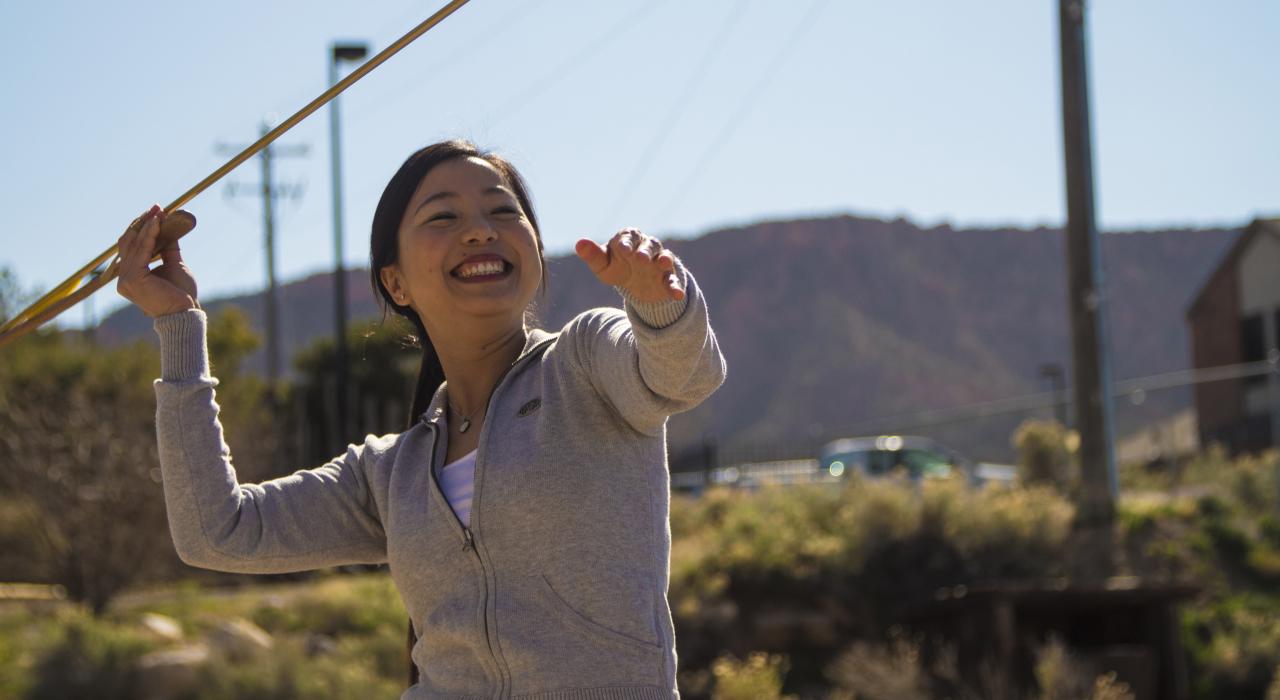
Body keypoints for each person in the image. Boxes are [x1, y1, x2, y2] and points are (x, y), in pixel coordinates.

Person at [116, 139, 726, 699]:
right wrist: (177, 326)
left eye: (503, 212)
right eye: (444, 217)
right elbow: (215, 531)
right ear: (396, 282)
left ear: (537, 252)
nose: (480, 232)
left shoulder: (588, 358)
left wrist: (659, 303)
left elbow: (684, 374)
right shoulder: (388, 473)